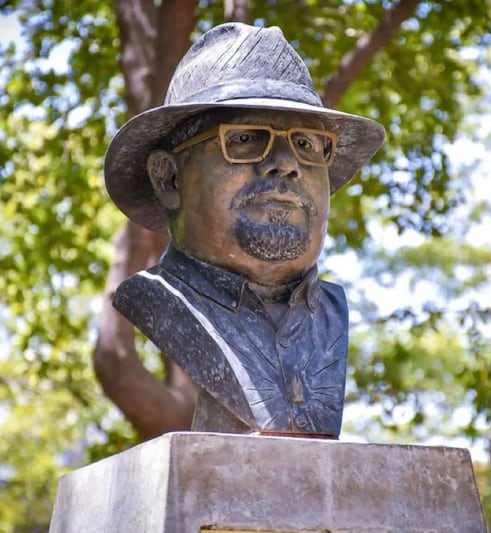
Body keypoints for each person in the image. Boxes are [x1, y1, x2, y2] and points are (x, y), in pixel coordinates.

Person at [104, 22, 384, 437]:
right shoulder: (157, 301)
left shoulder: (333, 315)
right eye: (247, 138)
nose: (287, 163)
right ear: (169, 178)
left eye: (308, 144)